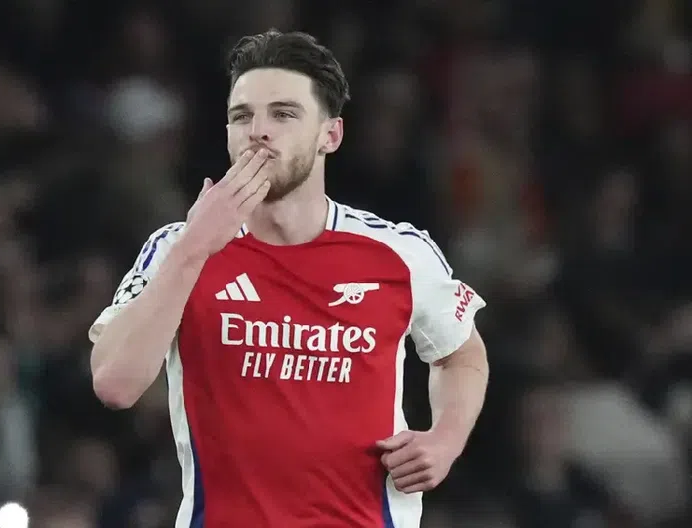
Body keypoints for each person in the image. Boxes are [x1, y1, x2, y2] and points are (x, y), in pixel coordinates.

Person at [89, 29, 489, 528]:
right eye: (242, 116)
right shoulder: (177, 248)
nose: (258, 131)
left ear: (330, 135)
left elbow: (461, 354)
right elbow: (115, 384)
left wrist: (446, 439)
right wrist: (194, 248)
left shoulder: (399, 252)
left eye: (283, 114)